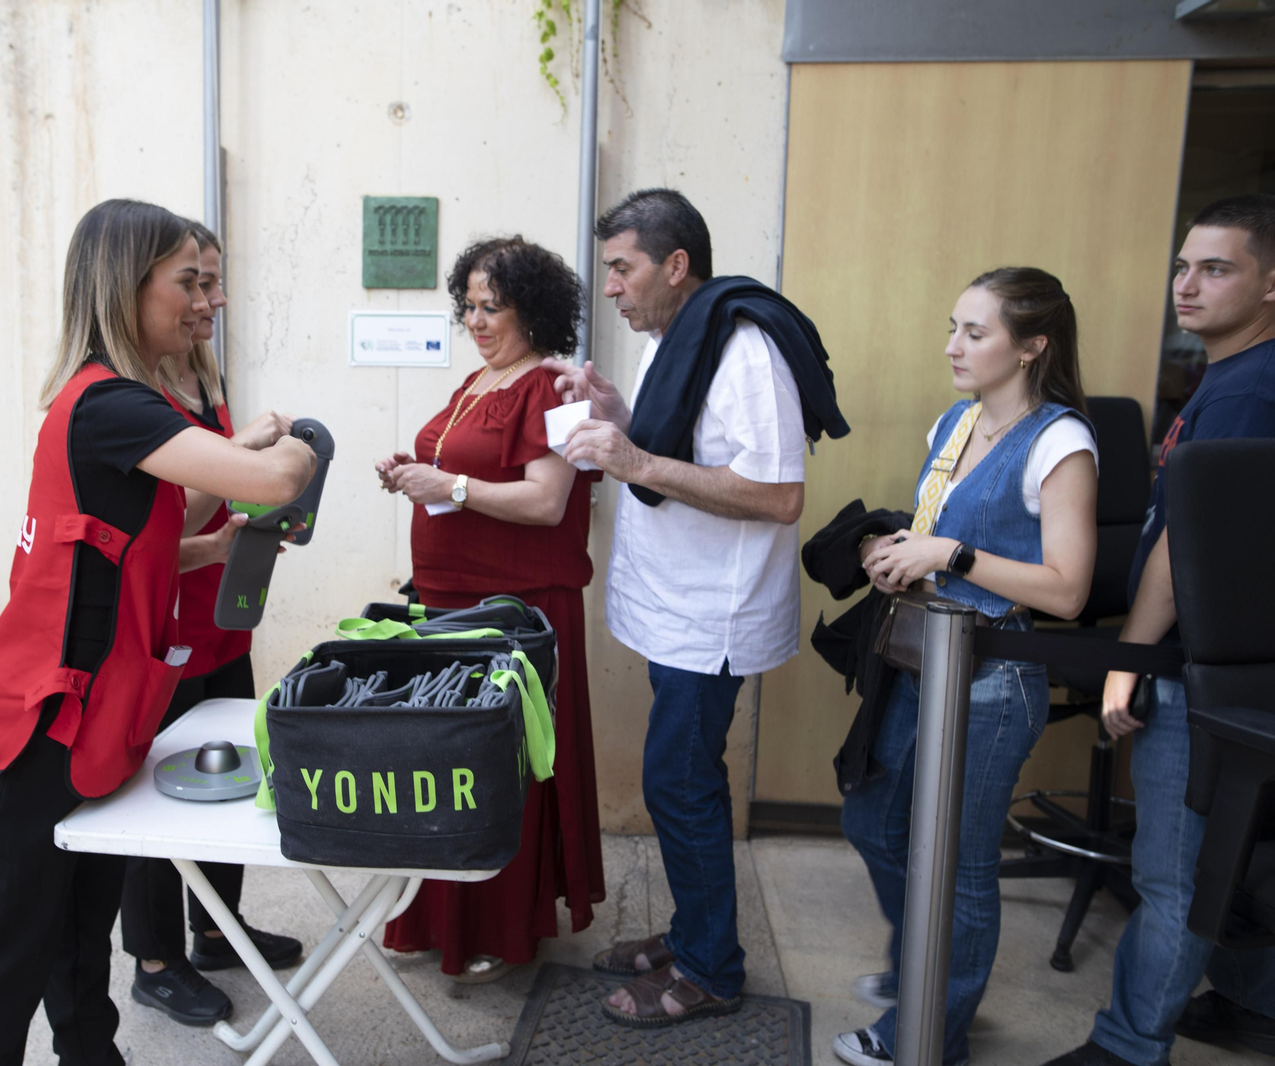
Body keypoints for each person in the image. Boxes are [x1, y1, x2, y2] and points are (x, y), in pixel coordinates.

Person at [0, 199, 315, 1066]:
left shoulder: (127, 406)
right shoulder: (111, 404)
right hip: (28, 729)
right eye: (187, 282)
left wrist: (210, 548)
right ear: (126, 286)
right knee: (2, 958)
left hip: (90, 720)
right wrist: (299, 447)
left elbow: (117, 553)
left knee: (78, 936)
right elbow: (267, 480)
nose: (206, 301)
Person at [546, 188, 846, 1027]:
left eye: (622, 268)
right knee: (683, 780)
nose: (610, 287)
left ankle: (711, 968)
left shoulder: (744, 349)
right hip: (674, 606)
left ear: (676, 266)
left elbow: (778, 495)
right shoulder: (678, 335)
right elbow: (680, 446)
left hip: (712, 616)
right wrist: (616, 416)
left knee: (679, 784)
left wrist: (633, 458)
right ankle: (692, 934)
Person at [840, 268, 1099, 1066]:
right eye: (953, 327)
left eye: (975, 332)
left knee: (961, 866)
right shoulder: (954, 424)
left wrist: (949, 553)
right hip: (923, 658)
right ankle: (924, 966)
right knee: (874, 821)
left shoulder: (1060, 440)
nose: (953, 345)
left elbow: (1066, 589)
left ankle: (928, 1031)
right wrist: (895, 554)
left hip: (993, 676)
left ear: (1032, 347)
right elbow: (938, 541)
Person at [1044, 194, 1275, 1066]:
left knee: (1174, 872)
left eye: (1216, 269)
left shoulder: (1251, 388)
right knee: (1234, 852)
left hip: (1197, 665)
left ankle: (1128, 1045)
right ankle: (1256, 1005)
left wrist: (1129, 661)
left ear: (1271, 286)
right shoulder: (1234, 377)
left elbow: (1188, 552)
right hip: (1223, 662)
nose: (1187, 284)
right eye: (1183, 265)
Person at [373, 236, 605, 983]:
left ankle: (499, 927)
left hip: (515, 608)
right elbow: (460, 475)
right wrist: (417, 475)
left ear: (530, 310)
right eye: (467, 305)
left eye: (491, 306)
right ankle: (443, 916)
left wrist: (452, 489)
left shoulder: (549, 388)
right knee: (450, 765)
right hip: (451, 598)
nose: (475, 319)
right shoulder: (479, 379)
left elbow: (548, 501)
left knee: (495, 767)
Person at [119, 220, 303, 1028]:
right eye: (196, 282)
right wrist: (240, 455)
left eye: (214, 280)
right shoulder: (132, 395)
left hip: (224, 613)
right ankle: (154, 958)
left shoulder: (200, 373)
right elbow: (170, 516)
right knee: (160, 796)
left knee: (231, 781)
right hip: (166, 626)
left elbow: (223, 499)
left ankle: (215, 930)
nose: (212, 298)